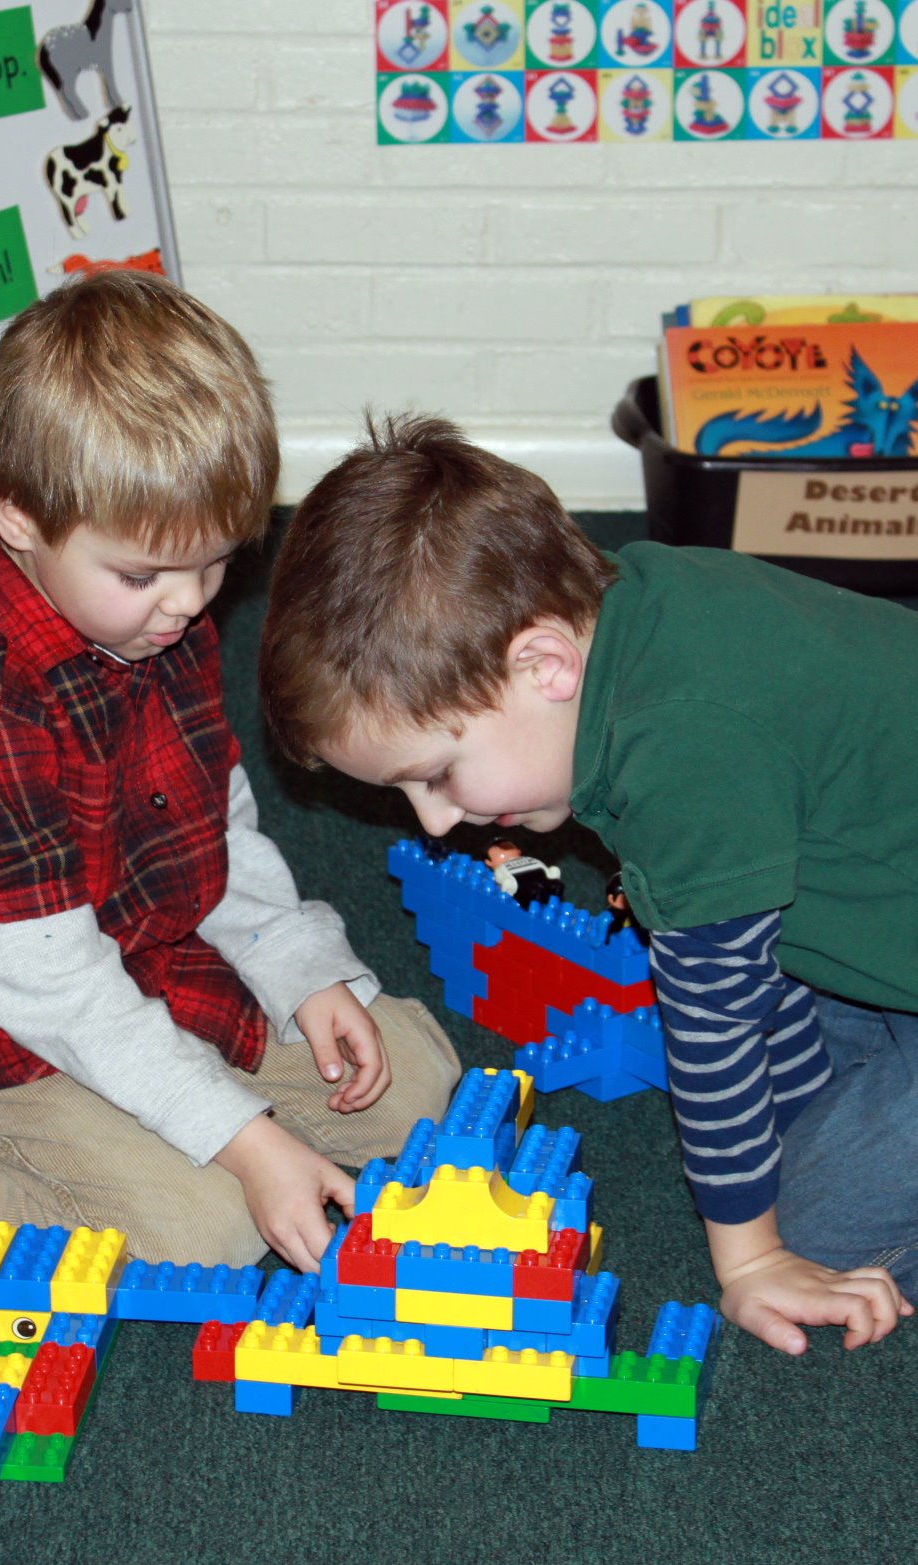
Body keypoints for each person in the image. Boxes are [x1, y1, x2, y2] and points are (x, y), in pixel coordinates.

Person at [0, 276, 459, 1275]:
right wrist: (245, 1140)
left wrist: (302, 968)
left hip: (132, 936)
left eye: (216, 563)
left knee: (413, 1077)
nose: (192, 605)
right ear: (19, 519)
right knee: (210, 1230)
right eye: (147, 574)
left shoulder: (156, 618)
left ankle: (206, 1114)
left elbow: (215, 828)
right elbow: (58, 993)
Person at [258, 411, 918, 1355]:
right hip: (875, 903)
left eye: (438, 773)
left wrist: (750, 1260)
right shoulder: (635, 608)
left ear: (542, 664)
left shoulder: (684, 753)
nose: (434, 820)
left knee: (821, 1224)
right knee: (790, 1058)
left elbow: (715, 1018)